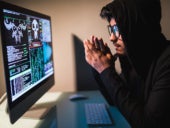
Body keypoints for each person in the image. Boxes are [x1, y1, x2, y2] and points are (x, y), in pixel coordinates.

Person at [83, 0, 170, 128]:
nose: (112, 37)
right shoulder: (138, 59)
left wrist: (106, 70)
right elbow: (114, 100)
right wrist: (101, 68)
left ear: (138, 27)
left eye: (117, 29)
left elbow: (148, 124)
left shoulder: (166, 63)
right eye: (111, 29)